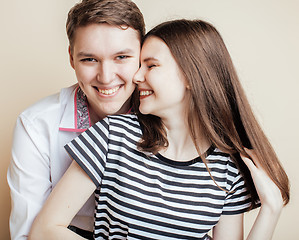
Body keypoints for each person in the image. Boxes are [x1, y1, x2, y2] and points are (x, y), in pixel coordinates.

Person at [29, 19, 289, 240]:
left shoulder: (226, 168)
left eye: (151, 65)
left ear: (191, 75)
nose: (137, 76)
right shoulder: (113, 136)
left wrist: (271, 209)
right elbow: (44, 229)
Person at [7, 0, 145, 239]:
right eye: (89, 59)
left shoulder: (166, 116)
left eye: (121, 57)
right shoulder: (36, 125)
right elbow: (27, 234)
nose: (106, 77)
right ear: (71, 58)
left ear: (143, 55)